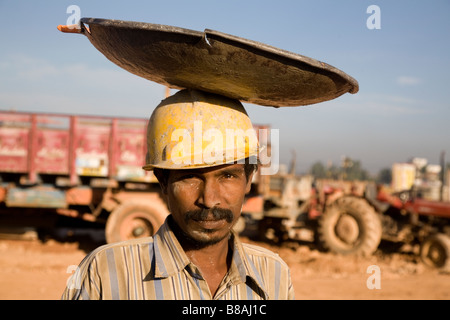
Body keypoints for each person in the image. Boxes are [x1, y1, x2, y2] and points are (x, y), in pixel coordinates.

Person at [62, 89, 294, 300]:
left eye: (228, 176)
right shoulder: (105, 272)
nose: (209, 199)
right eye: (190, 177)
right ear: (163, 181)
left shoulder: (273, 275)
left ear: (249, 180)